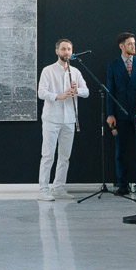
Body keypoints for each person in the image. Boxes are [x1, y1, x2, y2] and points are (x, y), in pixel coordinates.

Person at [36, 38, 89, 201]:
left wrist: (76, 90)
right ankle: (43, 189)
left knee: (65, 157)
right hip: (52, 119)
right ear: (57, 51)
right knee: (48, 155)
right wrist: (59, 96)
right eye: (64, 49)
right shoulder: (48, 70)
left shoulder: (76, 72)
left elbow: (86, 91)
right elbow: (41, 93)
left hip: (69, 119)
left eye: (69, 49)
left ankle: (58, 188)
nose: (67, 52)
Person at [105, 32, 136, 196]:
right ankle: (122, 185)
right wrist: (110, 114)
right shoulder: (113, 65)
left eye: (134, 43)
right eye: (130, 44)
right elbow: (110, 91)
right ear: (122, 46)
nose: (133, 46)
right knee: (121, 150)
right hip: (120, 114)